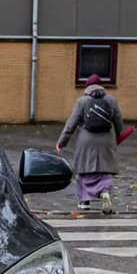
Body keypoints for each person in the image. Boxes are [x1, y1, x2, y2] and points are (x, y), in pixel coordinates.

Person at [56, 74, 124, 214]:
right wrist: (116, 135)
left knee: (84, 170)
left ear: (87, 87)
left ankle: (85, 201)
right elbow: (118, 120)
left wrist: (62, 142)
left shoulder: (82, 101)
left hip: (86, 140)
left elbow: (71, 124)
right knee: (106, 170)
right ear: (101, 86)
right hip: (107, 140)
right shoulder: (111, 100)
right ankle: (104, 192)